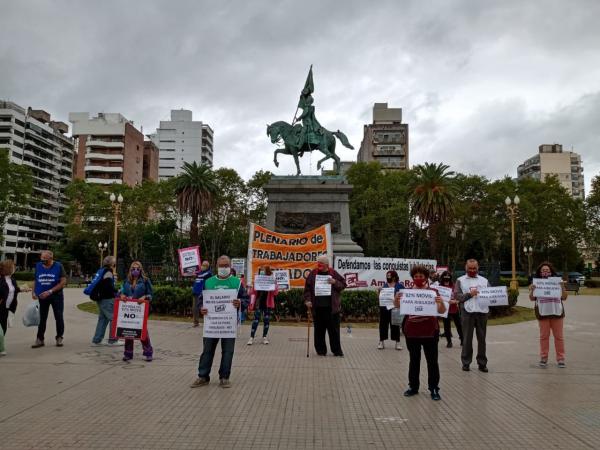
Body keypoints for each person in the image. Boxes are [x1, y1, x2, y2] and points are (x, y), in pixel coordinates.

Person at [191, 255, 244, 388]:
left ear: (230, 267)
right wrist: (202, 308)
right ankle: (203, 376)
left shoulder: (237, 283)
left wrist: (240, 302)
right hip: (212, 324)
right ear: (216, 267)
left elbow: (246, 298)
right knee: (207, 350)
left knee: (228, 351)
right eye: (221, 266)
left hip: (228, 324)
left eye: (226, 266)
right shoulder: (209, 282)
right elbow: (201, 300)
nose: (224, 268)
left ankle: (224, 377)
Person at [395, 265, 446, 401]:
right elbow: (399, 307)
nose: (418, 278)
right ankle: (413, 387)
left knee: (432, 362)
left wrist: (440, 303)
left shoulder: (433, 292)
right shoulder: (407, 292)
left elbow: (441, 311)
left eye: (421, 276)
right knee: (414, 360)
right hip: (412, 332)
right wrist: (396, 299)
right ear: (413, 277)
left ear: (426, 277)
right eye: (416, 276)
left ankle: (434, 388)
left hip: (430, 331)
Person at [303, 255, 347, 357]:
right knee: (319, 331)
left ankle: (337, 351)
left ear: (326, 265)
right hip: (318, 308)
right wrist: (308, 300)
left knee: (334, 331)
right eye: (318, 263)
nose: (319, 265)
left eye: (321, 264)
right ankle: (321, 351)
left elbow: (343, 284)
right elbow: (307, 289)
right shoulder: (313, 274)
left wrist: (335, 282)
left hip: (332, 309)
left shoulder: (333, 273)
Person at [454, 259, 491, 372]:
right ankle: (466, 362)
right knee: (467, 339)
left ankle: (482, 363)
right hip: (467, 312)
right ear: (466, 267)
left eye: (474, 268)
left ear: (478, 268)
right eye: (470, 268)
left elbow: (492, 295)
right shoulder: (460, 280)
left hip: (482, 312)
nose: (472, 270)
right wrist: (469, 295)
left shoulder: (484, 281)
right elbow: (457, 296)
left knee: (482, 339)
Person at [528, 261, 568, 368]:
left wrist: (562, 287)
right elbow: (532, 299)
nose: (545, 271)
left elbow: (564, 297)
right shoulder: (537, 283)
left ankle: (561, 359)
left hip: (557, 312)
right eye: (543, 270)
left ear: (551, 271)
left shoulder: (557, 281)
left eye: (547, 270)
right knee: (544, 337)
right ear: (540, 272)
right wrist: (532, 290)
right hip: (543, 313)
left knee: (559, 337)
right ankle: (543, 358)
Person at [31, 251, 67, 348]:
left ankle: (59, 337)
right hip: (42, 296)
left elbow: (63, 281)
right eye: (41, 258)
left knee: (58, 317)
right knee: (42, 318)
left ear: (51, 258)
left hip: (56, 296)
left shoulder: (58, 266)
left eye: (45, 259)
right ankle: (40, 339)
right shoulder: (38, 266)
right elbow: (36, 279)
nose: (42, 261)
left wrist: (50, 291)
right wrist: (33, 292)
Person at [120, 261, 153, 362]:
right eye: (133, 268)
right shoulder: (126, 281)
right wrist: (122, 295)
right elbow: (121, 292)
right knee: (128, 331)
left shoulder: (145, 281)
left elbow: (151, 295)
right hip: (128, 310)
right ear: (130, 270)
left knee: (142, 331)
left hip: (140, 310)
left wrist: (145, 297)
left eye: (138, 269)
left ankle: (148, 352)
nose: (135, 270)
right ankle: (128, 353)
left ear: (141, 270)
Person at [0, 260, 31, 356]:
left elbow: (14, 290)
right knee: (0, 331)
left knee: (3, 328)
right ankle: (1, 349)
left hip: (7, 308)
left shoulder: (12, 279)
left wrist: (23, 289)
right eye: (13, 267)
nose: (15, 268)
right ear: (8, 268)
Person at [91, 256, 120, 346]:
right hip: (107, 299)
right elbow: (107, 286)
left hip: (100, 298)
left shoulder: (101, 270)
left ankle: (97, 339)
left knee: (103, 319)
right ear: (111, 263)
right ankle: (113, 340)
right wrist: (116, 291)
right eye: (114, 262)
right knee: (113, 318)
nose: (115, 264)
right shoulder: (108, 271)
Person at [247, 265, 279, 345]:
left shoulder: (272, 280)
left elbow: (275, 293)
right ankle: (251, 337)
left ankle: (264, 337)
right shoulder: (257, 280)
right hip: (259, 303)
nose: (262, 273)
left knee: (266, 320)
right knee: (256, 320)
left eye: (263, 271)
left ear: (267, 272)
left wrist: (274, 284)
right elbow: (252, 293)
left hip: (267, 304)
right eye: (261, 271)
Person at [377, 270, 404, 350]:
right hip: (384, 309)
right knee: (383, 325)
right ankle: (381, 341)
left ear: (394, 277)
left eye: (390, 276)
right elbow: (380, 299)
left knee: (395, 325)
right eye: (387, 276)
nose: (388, 277)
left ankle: (397, 342)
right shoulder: (384, 286)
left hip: (395, 309)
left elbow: (404, 297)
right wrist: (379, 293)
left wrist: (399, 297)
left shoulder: (400, 286)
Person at [439, 270, 463, 348]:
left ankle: (462, 340)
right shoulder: (440, 287)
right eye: (445, 278)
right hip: (445, 309)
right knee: (446, 326)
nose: (446, 280)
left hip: (454, 308)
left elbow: (459, 297)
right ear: (442, 278)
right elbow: (437, 297)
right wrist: (445, 301)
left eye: (448, 278)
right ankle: (449, 342)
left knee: (459, 325)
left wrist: (456, 301)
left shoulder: (454, 286)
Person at [192, 261, 212, 327]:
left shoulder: (209, 273)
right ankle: (195, 322)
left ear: (208, 267)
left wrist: (196, 275)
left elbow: (203, 276)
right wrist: (195, 275)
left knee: (206, 308)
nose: (203, 266)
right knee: (195, 308)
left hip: (204, 293)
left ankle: (208, 323)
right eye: (202, 265)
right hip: (196, 292)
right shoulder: (199, 272)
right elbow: (197, 277)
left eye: (205, 265)